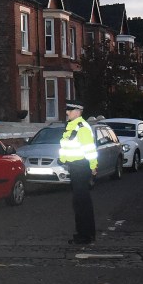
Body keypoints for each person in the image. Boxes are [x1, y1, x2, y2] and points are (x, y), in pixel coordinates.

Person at [59, 102, 98, 245]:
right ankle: (83, 233)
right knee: (78, 203)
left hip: (81, 167)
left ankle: (86, 236)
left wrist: (93, 167)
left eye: (69, 110)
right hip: (75, 167)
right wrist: (63, 160)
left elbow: (90, 149)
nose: (67, 113)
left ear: (77, 111)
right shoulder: (73, 126)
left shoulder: (81, 128)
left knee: (82, 203)